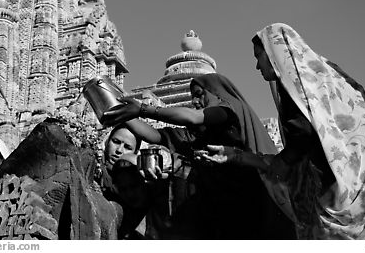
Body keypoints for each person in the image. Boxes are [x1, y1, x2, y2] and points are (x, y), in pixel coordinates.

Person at [204, 23, 365, 239]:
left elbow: (302, 141)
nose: (257, 66)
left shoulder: (299, 97)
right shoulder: (329, 78)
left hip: (341, 207)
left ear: (275, 52)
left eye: (259, 56)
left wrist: (257, 161)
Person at [103, 72, 296, 239]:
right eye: (192, 97)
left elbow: (194, 116)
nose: (195, 101)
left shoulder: (228, 111)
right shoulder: (195, 135)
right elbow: (158, 136)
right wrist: (120, 113)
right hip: (212, 214)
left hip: (243, 205)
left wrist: (144, 109)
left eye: (199, 94)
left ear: (218, 93)